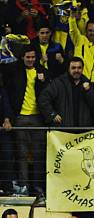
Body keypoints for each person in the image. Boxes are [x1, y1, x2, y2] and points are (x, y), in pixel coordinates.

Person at [4, 46, 48, 196]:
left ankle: (37, 187)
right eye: (28, 57)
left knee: (38, 154)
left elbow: (48, 93)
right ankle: (23, 186)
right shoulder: (14, 70)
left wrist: (42, 80)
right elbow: (8, 94)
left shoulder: (42, 71)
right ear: (22, 57)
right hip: (21, 117)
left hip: (38, 118)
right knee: (22, 154)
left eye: (33, 57)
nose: (31, 60)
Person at [38, 57, 94, 127]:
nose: (76, 70)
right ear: (68, 69)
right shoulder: (58, 83)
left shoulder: (87, 83)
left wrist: (88, 91)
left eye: (79, 68)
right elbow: (43, 99)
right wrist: (52, 114)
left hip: (83, 131)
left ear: (83, 69)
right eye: (73, 68)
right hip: (63, 131)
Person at [69, 11, 94, 83]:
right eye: (90, 30)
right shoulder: (79, 40)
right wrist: (72, 18)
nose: (92, 33)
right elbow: (73, 30)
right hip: (78, 81)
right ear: (86, 30)